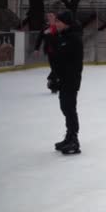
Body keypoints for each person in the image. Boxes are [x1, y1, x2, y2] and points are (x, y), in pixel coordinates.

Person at [52, 11, 84, 155]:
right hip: (63, 79)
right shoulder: (62, 37)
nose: (56, 24)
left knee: (69, 109)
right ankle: (69, 136)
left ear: (66, 23)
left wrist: (64, 77)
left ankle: (74, 140)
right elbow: (58, 61)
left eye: (58, 22)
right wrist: (54, 76)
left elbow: (74, 63)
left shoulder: (73, 38)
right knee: (65, 107)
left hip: (70, 80)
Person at [34, 12, 60, 93]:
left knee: (57, 68)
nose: (49, 17)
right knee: (54, 68)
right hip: (50, 51)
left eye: (51, 15)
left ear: (55, 17)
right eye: (48, 16)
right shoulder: (45, 27)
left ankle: (53, 83)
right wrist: (36, 49)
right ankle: (54, 85)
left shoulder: (58, 25)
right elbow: (39, 38)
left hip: (59, 51)